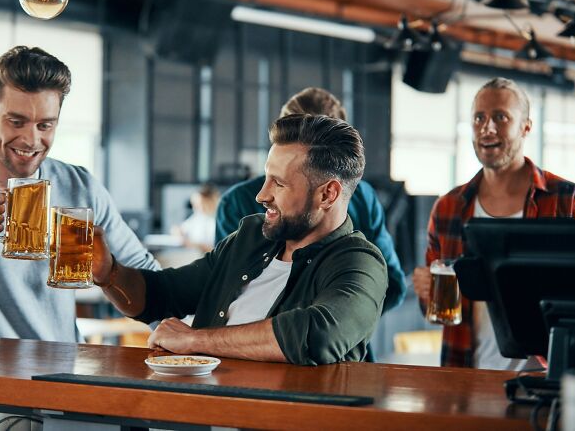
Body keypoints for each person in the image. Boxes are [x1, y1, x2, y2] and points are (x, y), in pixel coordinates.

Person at [93, 114, 388, 365]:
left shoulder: (360, 263)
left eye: (279, 183)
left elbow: (316, 336)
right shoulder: (250, 238)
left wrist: (195, 340)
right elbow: (161, 294)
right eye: (266, 178)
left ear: (328, 194)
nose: (262, 195)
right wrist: (108, 273)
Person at [0, 46, 160, 342]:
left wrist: (186, 339)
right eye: (16, 122)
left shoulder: (79, 186)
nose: (32, 140)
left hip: (66, 373)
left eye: (45, 125)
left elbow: (150, 279)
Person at [412, 77, 575, 370]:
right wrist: (426, 292)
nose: (487, 128)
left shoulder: (571, 202)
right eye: (479, 118)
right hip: (465, 377)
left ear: (526, 126)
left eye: (501, 117)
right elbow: (437, 311)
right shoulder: (448, 207)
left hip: (547, 379)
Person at [215, 87, 406, 313]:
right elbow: (224, 288)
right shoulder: (237, 203)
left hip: (336, 341)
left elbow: (392, 285)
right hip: (255, 342)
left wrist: (346, 319)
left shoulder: (363, 197)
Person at [172, 183, 220, 253]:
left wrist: (195, 245)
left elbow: (219, 250)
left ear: (212, 200)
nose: (195, 208)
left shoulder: (220, 219)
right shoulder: (199, 216)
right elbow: (179, 229)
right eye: (194, 204)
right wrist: (178, 232)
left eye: (199, 204)